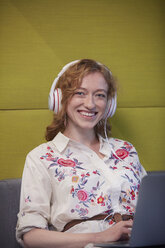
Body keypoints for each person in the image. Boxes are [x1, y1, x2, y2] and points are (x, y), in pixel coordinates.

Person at [16, 59, 146, 248]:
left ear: (109, 104)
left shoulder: (126, 150)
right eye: (80, 93)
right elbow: (31, 236)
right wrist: (100, 237)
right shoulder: (41, 158)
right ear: (60, 98)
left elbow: (152, 209)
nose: (90, 104)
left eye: (100, 95)